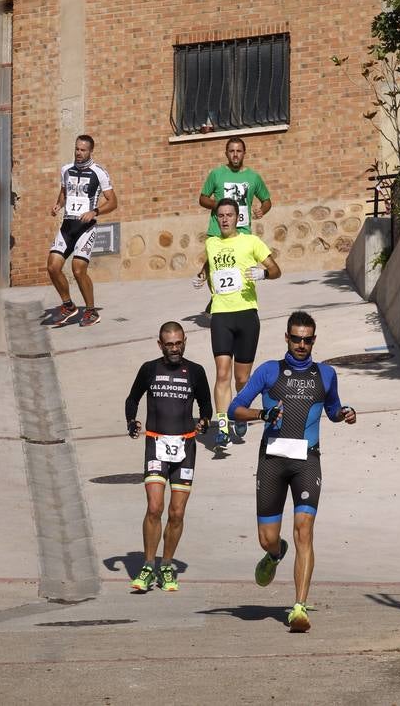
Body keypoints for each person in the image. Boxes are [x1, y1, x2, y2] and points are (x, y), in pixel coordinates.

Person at [228, 310, 357, 632]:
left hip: (306, 460)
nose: (302, 344)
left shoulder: (326, 374)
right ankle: (274, 554)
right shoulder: (269, 372)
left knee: (304, 529)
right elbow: (234, 409)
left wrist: (344, 413)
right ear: (287, 337)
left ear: (314, 340)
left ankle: (299, 606)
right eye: (296, 338)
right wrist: (262, 413)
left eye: (307, 339)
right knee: (267, 538)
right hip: (272, 460)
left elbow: (332, 409)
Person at [125, 321, 212, 593]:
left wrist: (205, 422)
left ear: (184, 341)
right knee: (154, 508)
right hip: (156, 444)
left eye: (179, 343)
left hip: (185, 448)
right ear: (160, 344)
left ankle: (166, 565)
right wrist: (131, 421)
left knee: (176, 512)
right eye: (169, 344)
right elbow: (132, 399)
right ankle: (148, 564)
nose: (175, 349)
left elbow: (206, 405)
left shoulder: (196, 371)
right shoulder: (149, 369)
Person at [193, 198, 281, 450]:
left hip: (246, 315)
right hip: (221, 315)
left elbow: (277, 270)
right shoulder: (211, 243)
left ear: (237, 217)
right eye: (220, 215)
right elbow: (210, 265)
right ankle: (222, 427)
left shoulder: (251, 241)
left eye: (229, 215)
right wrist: (201, 278)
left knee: (242, 378)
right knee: (222, 373)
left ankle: (240, 410)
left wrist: (263, 273)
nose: (224, 219)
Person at [47, 135, 117, 327]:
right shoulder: (66, 170)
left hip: (86, 228)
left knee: (78, 270)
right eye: (77, 149)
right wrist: (58, 205)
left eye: (83, 150)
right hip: (67, 226)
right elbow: (64, 193)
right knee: (53, 267)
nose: (79, 153)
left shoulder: (99, 172)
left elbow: (113, 202)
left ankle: (91, 311)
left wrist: (94, 211)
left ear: (90, 151)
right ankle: (68, 306)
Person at [199, 136, 271, 237]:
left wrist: (262, 210)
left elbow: (267, 201)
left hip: (243, 234)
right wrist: (219, 205)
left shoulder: (253, 177)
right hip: (218, 234)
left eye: (239, 151)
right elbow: (203, 199)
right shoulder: (216, 174)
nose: (235, 155)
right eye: (231, 151)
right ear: (226, 154)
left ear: (244, 153)